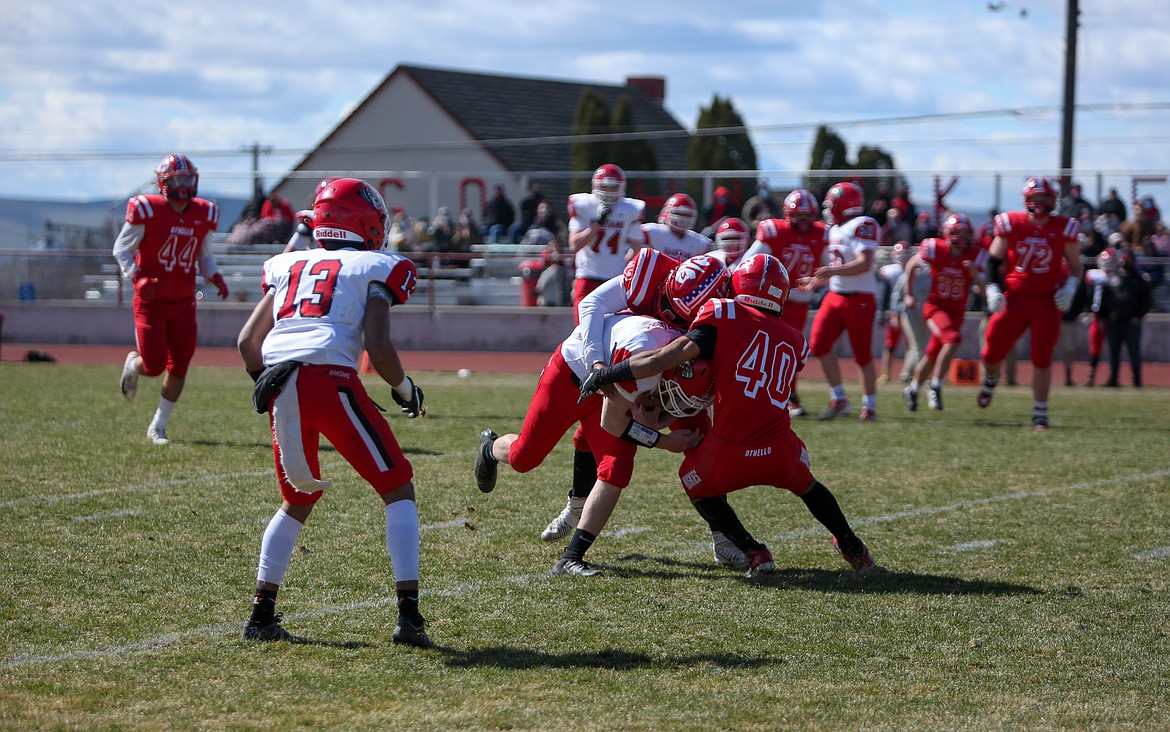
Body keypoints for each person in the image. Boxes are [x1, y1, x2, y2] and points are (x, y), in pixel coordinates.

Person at [578, 254, 879, 577]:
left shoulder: (723, 312)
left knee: (694, 484)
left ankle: (754, 551)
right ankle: (852, 547)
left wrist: (609, 373)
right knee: (809, 486)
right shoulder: (796, 339)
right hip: (779, 447)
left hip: (729, 449)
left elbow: (667, 358)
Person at [236, 177, 432, 647]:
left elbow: (247, 343)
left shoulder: (289, 262)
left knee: (297, 498)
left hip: (280, 382)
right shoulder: (376, 263)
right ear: (365, 223)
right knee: (396, 485)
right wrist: (405, 389)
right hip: (330, 380)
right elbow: (379, 347)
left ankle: (261, 615)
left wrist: (268, 380)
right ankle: (409, 616)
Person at [473, 312, 703, 576]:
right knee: (524, 458)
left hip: (610, 387)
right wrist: (664, 441)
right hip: (570, 376)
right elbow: (613, 424)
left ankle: (571, 557)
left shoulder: (675, 355)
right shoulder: (645, 366)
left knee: (617, 468)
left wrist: (655, 421)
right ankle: (490, 449)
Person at [539, 249, 729, 558]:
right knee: (595, 444)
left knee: (701, 439)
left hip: (672, 364)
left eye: (681, 314)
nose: (668, 314)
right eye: (666, 303)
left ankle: (724, 535)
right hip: (629, 360)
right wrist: (598, 364)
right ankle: (577, 506)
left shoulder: (719, 302)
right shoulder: (649, 272)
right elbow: (592, 303)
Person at [113, 153, 230, 445]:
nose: (184, 186)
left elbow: (204, 256)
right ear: (164, 183)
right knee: (153, 366)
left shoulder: (204, 213)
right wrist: (137, 276)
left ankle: (158, 426)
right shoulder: (147, 210)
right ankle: (133, 365)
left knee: (179, 366)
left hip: (183, 303)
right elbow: (121, 249)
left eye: (188, 179)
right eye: (178, 180)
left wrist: (214, 276)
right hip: (151, 302)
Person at [978, 177, 1082, 429]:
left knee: (1042, 357)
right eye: (1035, 199)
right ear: (1026, 201)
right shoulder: (1012, 223)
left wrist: (1070, 286)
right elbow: (992, 261)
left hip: (1047, 300)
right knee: (991, 352)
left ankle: (1040, 413)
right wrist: (992, 288)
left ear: (1053, 201)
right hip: (1015, 298)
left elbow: (1077, 267)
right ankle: (991, 378)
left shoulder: (1064, 227)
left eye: (1044, 199)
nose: (1040, 204)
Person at [796, 181, 882, 422]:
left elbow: (864, 263)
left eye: (831, 205)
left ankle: (870, 407)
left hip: (860, 298)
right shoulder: (834, 229)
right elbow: (835, 268)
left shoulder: (863, 225)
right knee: (819, 344)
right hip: (835, 295)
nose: (827, 209)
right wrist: (817, 282)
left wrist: (832, 273)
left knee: (862, 355)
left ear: (844, 206)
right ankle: (839, 399)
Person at [741, 189, 829, 416]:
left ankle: (786, 397)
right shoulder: (775, 231)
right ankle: (779, 398)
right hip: (772, 303)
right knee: (772, 352)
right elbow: (749, 261)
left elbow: (827, 268)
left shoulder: (820, 234)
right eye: (799, 215)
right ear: (788, 214)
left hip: (798, 305)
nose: (804, 221)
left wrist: (817, 282)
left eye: (808, 215)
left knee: (789, 354)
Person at [901, 213, 986, 412]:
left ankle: (913, 389)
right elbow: (911, 265)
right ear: (948, 234)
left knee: (932, 353)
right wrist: (908, 294)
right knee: (953, 339)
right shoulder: (935, 248)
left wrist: (974, 275)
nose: (962, 238)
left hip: (957, 312)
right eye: (958, 233)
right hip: (935, 307)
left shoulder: (975, 255)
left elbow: (983, 291)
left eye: (966, 234)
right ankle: (936, 385)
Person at [567, 164, 645, 321]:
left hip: (615, 279)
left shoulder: (630, 209)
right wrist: (596, 226)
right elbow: (574, 245)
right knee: (583, 331)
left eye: (613, 187)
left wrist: (625, 264)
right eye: (605, 187)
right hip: (587, 275)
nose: (609, 192)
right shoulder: (585, 205)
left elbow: (638, 250)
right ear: (595, 186)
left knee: (613, 332)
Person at [1098, 250, 1153, 387]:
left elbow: (1147, 302)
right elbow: (1104, 301)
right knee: (1114, 353)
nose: (1125, 264)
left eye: (1128, 261)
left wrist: (1138, 316)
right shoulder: (1112, 279)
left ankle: (1137, 380)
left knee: (1134, 352)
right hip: (1114, 322)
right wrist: (1100, 317)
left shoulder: (1139, 281)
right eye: (1123, 261)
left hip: (1131, 324)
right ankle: (1113, 379)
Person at [642, 193, 711, 261]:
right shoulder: (652, 232)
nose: (682, 219)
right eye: (678, 213)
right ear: (666, 213)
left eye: (687, 215)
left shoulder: (700, 243)